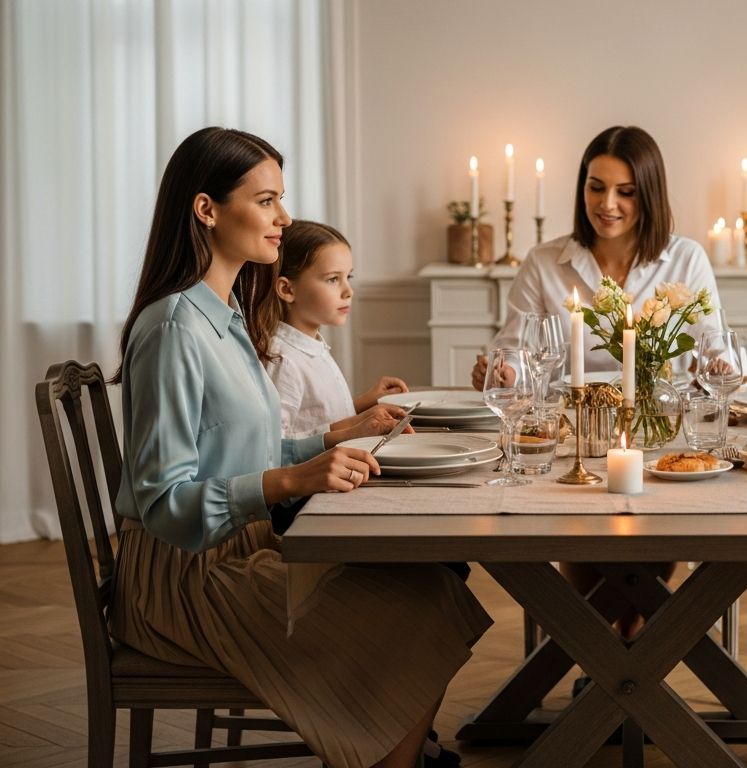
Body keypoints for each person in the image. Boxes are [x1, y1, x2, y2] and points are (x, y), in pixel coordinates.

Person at [110, 127, 491, 768]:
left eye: (281, 200)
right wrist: (293, 481)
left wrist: (330, 440)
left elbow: (241, 450)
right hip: (184, 579)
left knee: (430, 583)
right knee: (421, 604)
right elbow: (162, 503)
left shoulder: (225, 315)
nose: (284, 218)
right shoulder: (175, 327)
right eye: (266, 201)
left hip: (235, 550)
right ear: (207, 210)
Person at [469, 124, 738, 391]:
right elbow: (515, 351)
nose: (607, 204)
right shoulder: (543, 262)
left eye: (626, 192)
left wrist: (720, 369)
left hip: (661, 413)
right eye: (596, 188)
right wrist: (503, 373)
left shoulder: (687, 259)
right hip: (570, 415)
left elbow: (721, 352)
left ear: (649, 195)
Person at [262, 219, 409, 438]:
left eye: (348, 277)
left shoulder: (312, 347)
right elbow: (277, 445)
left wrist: (366, 402)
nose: (348, 291)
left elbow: (316, 419)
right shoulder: (283, 360)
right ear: (287, 289)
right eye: (333, 279)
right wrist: (356, 426)